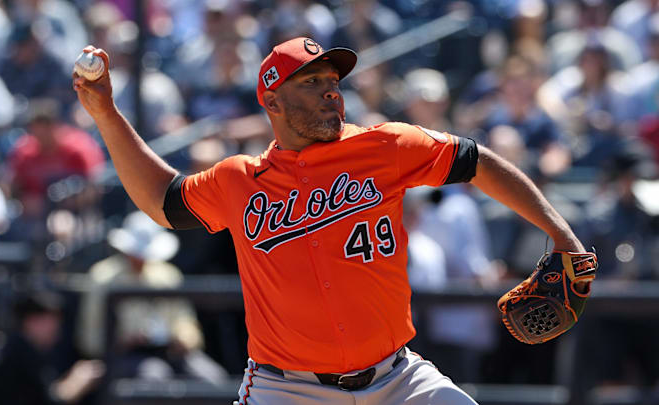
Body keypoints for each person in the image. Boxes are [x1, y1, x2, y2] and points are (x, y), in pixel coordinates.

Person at [73, 37, 590, 405]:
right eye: (312, 81)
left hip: (398, 380)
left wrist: (561, 235)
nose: (331, 90)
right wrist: (106, 114)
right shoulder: (239, 180)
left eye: (332, 79)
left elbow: (478, 161)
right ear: (272, 101)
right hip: (285, 388)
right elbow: (164, 199)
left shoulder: (385, 146)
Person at [77, 210, 229, 384]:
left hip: (169, 352)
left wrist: (183, 339)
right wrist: (123, 341)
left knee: (214, 378)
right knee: (155, 376)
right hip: (123, 357)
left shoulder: (168, 276)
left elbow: (187, 324)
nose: (140, 259)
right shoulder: (102, 278)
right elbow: (89, 340)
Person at [0, 291, 105, 405]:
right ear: (33, 321)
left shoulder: (23, 348)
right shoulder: (16, 353)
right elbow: (47, 401)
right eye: (51, 321)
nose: (57, 329)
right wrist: (77, 381)